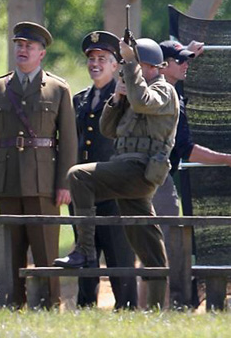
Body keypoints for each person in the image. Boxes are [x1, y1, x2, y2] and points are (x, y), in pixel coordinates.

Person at [54, 38, 180, 309]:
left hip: (140, 170)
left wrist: (131, 68)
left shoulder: (163, 91)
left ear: (149, 66)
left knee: (78, 175)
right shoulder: (131, 91)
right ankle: (157, 311)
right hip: (127, 172)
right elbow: (108, 130)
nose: (126, 71)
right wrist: (117, 97)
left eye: (134, 65)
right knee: (148, 245)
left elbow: (145, 102)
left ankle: (85, 252)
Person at [0, 21, 78, 309]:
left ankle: (48, 302)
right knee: (10, 249)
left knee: (45, 247)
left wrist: (64, 183)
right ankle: (10, 302)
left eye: (28, 46)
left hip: (43, 181)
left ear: (41, 53)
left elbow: (68, 141)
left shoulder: (58, 89)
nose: (22, 50)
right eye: (19, 45)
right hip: (6, 179)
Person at [149, 40, 231, 307]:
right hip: (157, 182)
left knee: (149, 250)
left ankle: (148, 308)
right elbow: (185, 149)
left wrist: (187, 53)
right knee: (168, 249)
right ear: (163, 65)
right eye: (181, 60)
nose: (186, 65)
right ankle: (169, 307)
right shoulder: (165, 94)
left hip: (147, 178)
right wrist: (227, 160)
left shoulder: (161, 90)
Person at [71, 31, 137, 310]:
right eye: (92, 59)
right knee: (86, 256)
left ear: (115, 65)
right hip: (85, 192)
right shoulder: (79, 100)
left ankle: (128, 310)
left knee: (119, 257)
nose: (95, 63)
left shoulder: (126, 97)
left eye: (103, 58)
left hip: (114, 189)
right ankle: (86, 310)